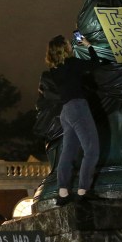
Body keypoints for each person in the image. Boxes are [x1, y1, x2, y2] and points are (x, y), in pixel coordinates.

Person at [41, 33, 101, 206]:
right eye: (67, 44)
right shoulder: (72, 64)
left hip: (65, 111)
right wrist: (88, 45)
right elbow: (95, 64)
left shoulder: (54, 71)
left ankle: (63, 192)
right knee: (92, 149)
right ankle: (83, 190)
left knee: (68, 152)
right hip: (78, 107)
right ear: (65, 49)